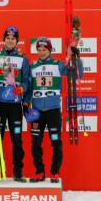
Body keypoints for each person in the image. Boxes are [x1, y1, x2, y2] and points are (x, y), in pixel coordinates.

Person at [23, 37, 83, 183]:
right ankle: (39, 172)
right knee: (36, 143)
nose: (42, 52)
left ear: (50, 50)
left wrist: (77, 58)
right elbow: (29, 89)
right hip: (37, 112)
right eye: (39, 50)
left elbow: (77, 74)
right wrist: (25, 104)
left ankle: (55, 172)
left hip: (53, 111)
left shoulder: (58, 65)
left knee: (56, 142)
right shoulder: (33, 66)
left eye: (45, 50)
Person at [0, 27, 29, 182]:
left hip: (14, 103)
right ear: (4, 39)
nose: (10, 41)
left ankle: (17, 172)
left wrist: (22, 89)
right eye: (8, 38)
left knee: (17, 139)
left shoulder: (22, 58)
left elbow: (27, 80)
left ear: (17, 41)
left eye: (13, 39)